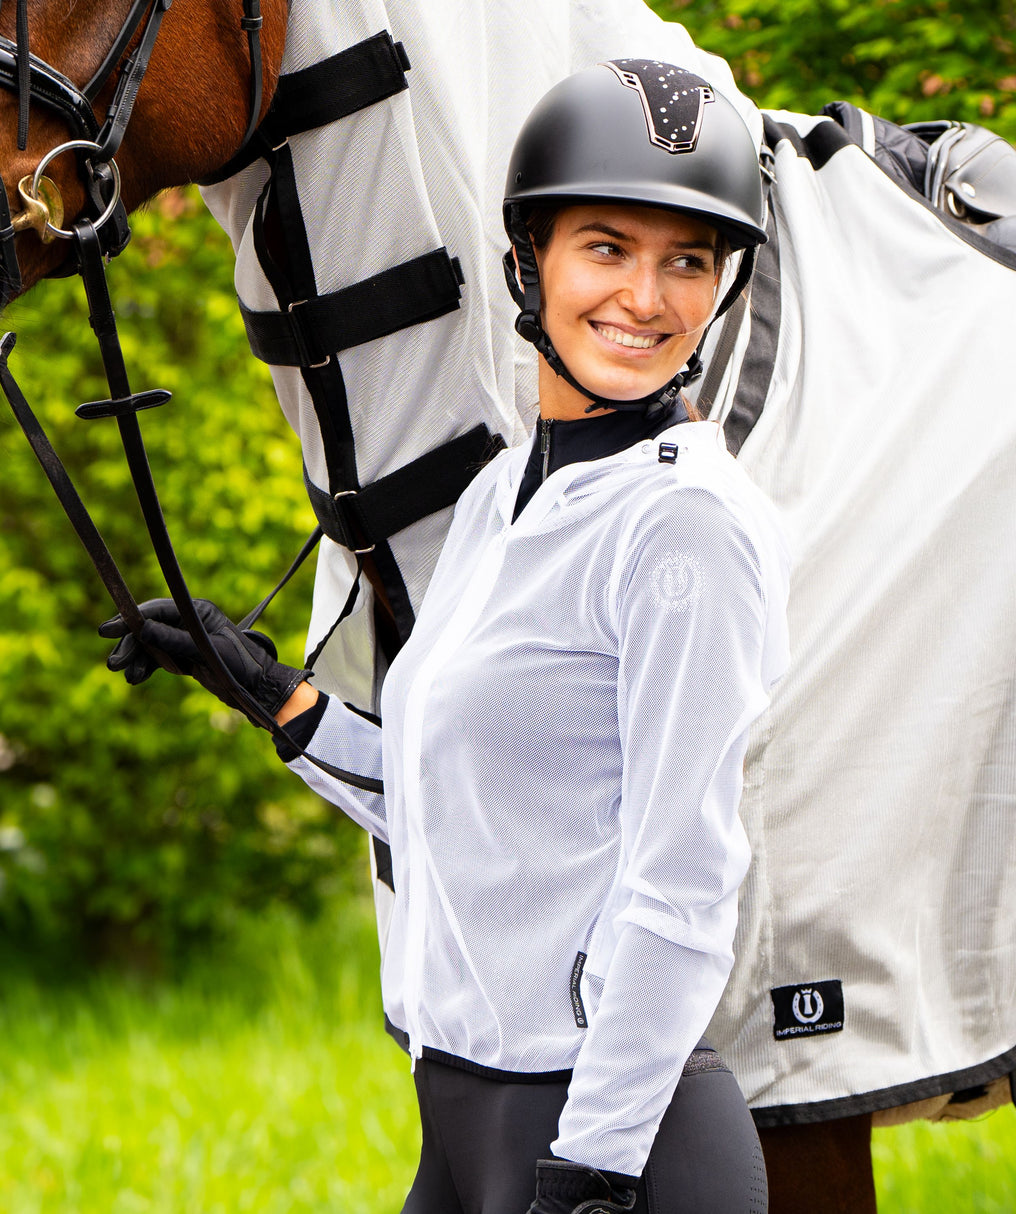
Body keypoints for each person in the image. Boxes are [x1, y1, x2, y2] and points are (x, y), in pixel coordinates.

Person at [101, 58, 790, 1214]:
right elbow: (460, 803)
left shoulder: (685, 529)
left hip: (608, 1143)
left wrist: (598, 1166)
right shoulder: (498, 495)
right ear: (531, 261)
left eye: (689, 260)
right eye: (607, 247)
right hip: (461, 1111)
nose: (648, 296)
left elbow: (683, 877)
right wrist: (271, 693)